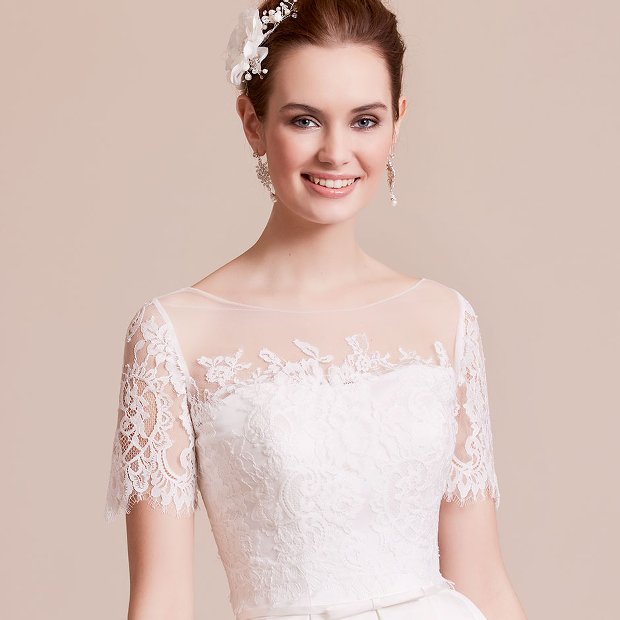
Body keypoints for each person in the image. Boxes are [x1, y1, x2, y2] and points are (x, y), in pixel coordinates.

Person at [104, 1, 528, 619]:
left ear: (397, 122)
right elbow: (161, 601)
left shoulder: (445, 320)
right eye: (304, 120)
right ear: (252, 122)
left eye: (364, 120)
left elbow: (483, 578)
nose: (335, 152)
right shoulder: (175, 335)